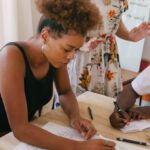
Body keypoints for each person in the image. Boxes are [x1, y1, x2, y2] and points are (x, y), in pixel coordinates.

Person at [0, 0, 116, 149]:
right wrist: (80, 147)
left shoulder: (54, 57)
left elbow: (65, 92)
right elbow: (20, 129)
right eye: (68, 49)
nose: (72, 56)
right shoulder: (11, 57)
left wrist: (75, 118)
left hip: (23, 134)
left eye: (76, 50)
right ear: (45, 35)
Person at [68, 0, 150, 98]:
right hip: (82, 55)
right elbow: (60, 24)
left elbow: (114, 20)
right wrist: (80, 45)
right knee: (78, 104)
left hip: (109, 57)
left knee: (107, 106)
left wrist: (129, 36)